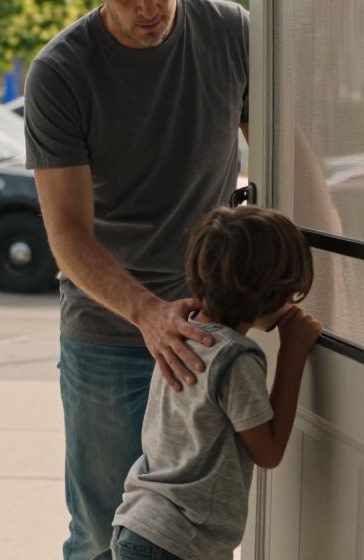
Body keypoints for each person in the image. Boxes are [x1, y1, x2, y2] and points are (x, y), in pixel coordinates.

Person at [24, 0, 250, 559]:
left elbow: (291, 156)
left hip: (210, 332)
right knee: (102, 534)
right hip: (109, 334)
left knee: (199, 534)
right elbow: (66, 232)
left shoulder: (232, 34)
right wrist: (148, 314)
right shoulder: (62, 73)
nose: (150, 7)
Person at [111, 205, 321, 560]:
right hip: (177, 543)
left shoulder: (181, 335)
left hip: (138, 525)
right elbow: (268, 452)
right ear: (268, 291)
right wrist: (293, 353)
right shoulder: (235, 359)